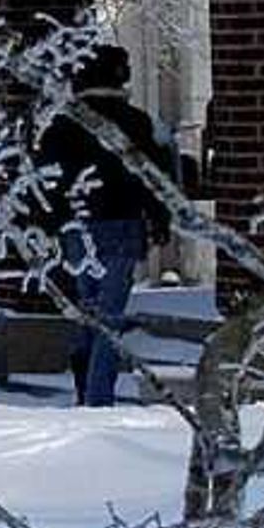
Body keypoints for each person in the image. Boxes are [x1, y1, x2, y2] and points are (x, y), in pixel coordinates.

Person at [27, 41, 179, 409]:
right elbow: (156, 178)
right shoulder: (138, 124)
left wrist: (47, 224)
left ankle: (86, 386)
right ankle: (97, 397)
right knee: (110, 317)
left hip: (76, 229)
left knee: (87, 309)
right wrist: (161, 220)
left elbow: (44, 180)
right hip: (122, 225)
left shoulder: (62, 126)